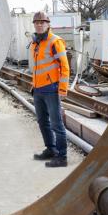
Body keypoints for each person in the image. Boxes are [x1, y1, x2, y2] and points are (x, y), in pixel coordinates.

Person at [29, 11, 70, 168]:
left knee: (56, 123)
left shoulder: (55, 41)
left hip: (51, 88)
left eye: (42, 22)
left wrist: (62, 89)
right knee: (42, 122)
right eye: (36, 22)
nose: (39, 25)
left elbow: (64, 66)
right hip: (38, 89)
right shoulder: (35, 42)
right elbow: (38, 67)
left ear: (48, 24)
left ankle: (62, 156)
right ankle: (51, 149)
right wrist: (34, 84)